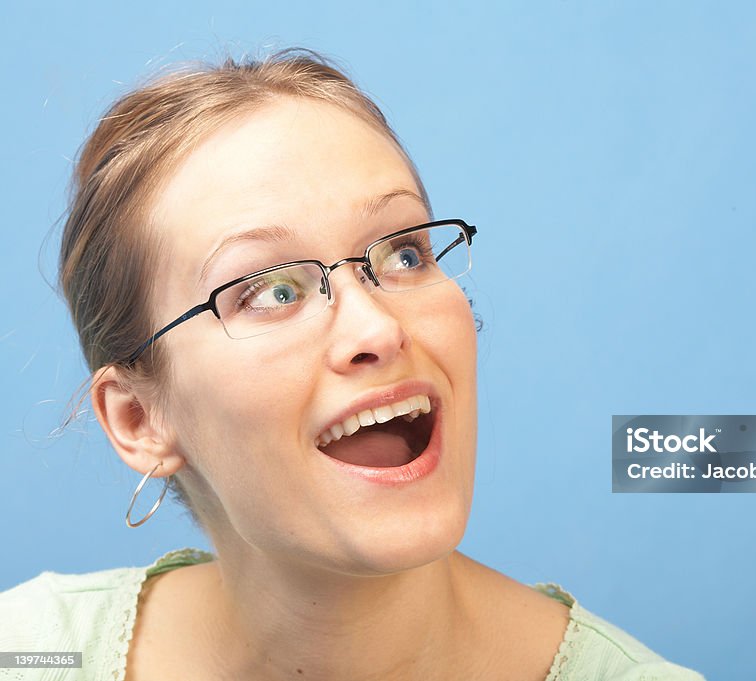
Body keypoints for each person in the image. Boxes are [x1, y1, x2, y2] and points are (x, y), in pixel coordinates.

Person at [0, 49, 704, 681]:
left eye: (403, 254)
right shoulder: (28, 651)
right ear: (139, 418)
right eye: (272, 291)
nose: (378, 326)